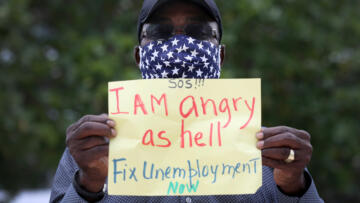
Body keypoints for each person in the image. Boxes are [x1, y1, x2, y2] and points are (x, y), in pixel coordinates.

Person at [50, 0, 324, 202]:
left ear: (220, 55)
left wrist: (293, 185)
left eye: (199, 31)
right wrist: (88, 184)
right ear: (138, 56)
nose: (179, 43)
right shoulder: (93, 148)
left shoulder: (270, 153)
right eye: (160, 32)